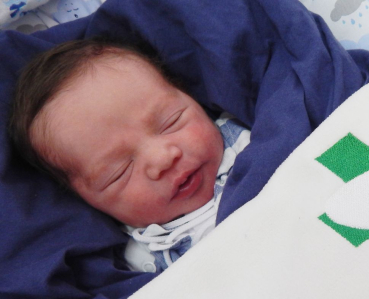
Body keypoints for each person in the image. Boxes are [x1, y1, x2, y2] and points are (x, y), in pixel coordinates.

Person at [9, 38, 251, 274]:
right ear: (88, 203)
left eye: (171, 122)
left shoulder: (252, 139)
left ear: (190, 97)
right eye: (120, 171)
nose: (162, 159)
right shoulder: (138, 260)